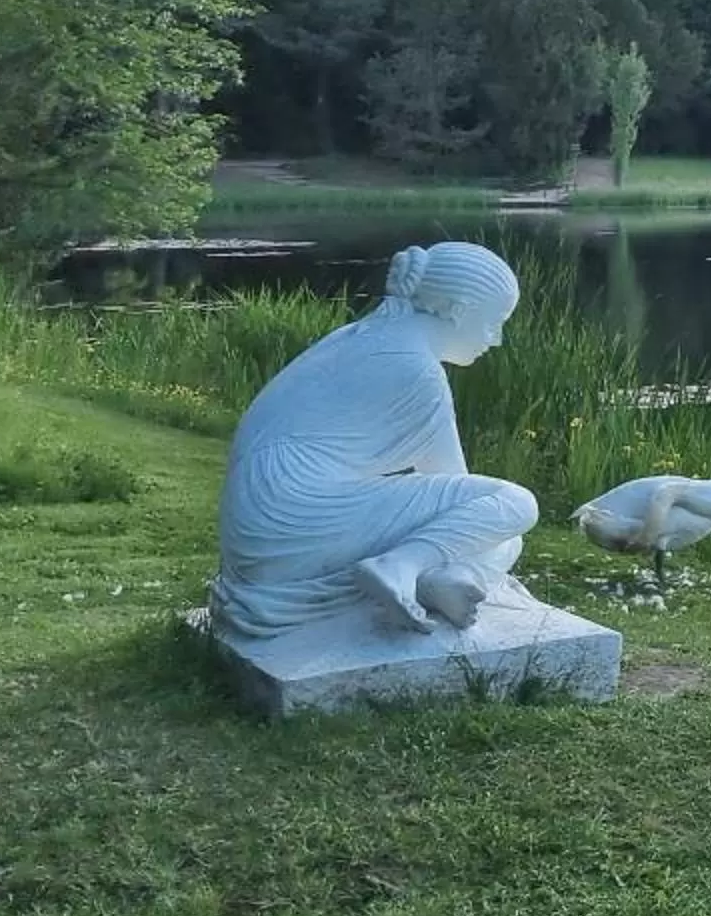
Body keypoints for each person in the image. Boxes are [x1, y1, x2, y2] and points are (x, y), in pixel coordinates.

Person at [209, 243, 541, 638]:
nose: (497, 338)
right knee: (513, 507)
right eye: (493, 322)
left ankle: (436, 578)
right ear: (461, 310)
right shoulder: (417, 370)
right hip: (294, 525)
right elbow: (460, 483)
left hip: (252, 531)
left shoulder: (357, 336)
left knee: (494, 535)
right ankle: (402, 566)